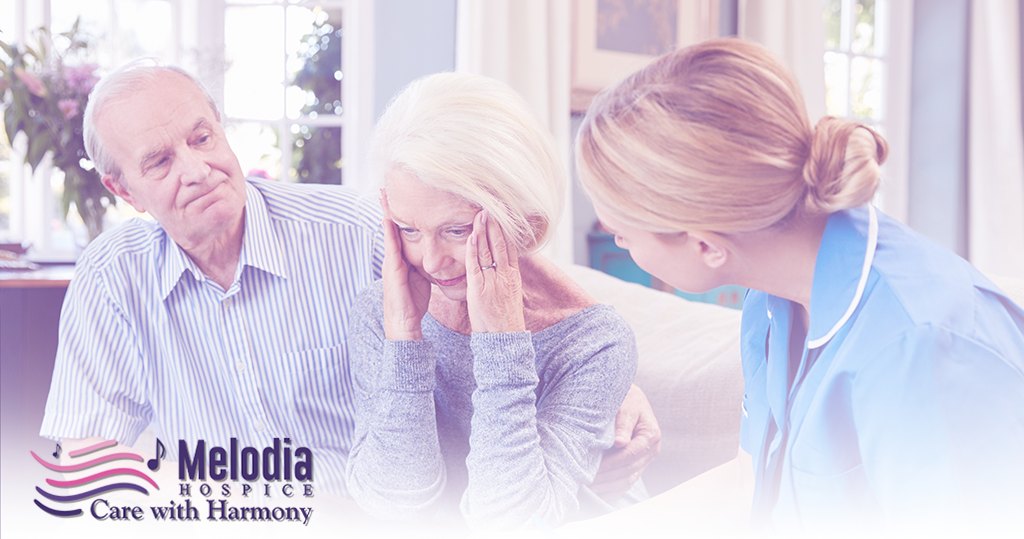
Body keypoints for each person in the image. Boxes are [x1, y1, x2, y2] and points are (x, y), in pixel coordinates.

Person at [39, 62, 660, 500]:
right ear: (122, 189)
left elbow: (495, 267)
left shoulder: (357, 226)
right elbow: (87, 463)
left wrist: (613, 383)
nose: (197, 168)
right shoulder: (112, 277)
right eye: (160, 161)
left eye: (202, 137)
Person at [574, 38, 1024, 532]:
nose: (617, 239)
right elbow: (752, 482)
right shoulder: (770, 298)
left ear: (705, 245)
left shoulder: (925, 345)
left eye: (624, 233)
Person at [344, 72, 642, 529]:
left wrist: (501, 339)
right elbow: (394, 502)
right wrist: (404, 339)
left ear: (528, 229)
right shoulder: (381, 312)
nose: (431, 260)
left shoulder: (595, 343)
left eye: (457, 230)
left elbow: (512, 523)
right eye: (408, 230)